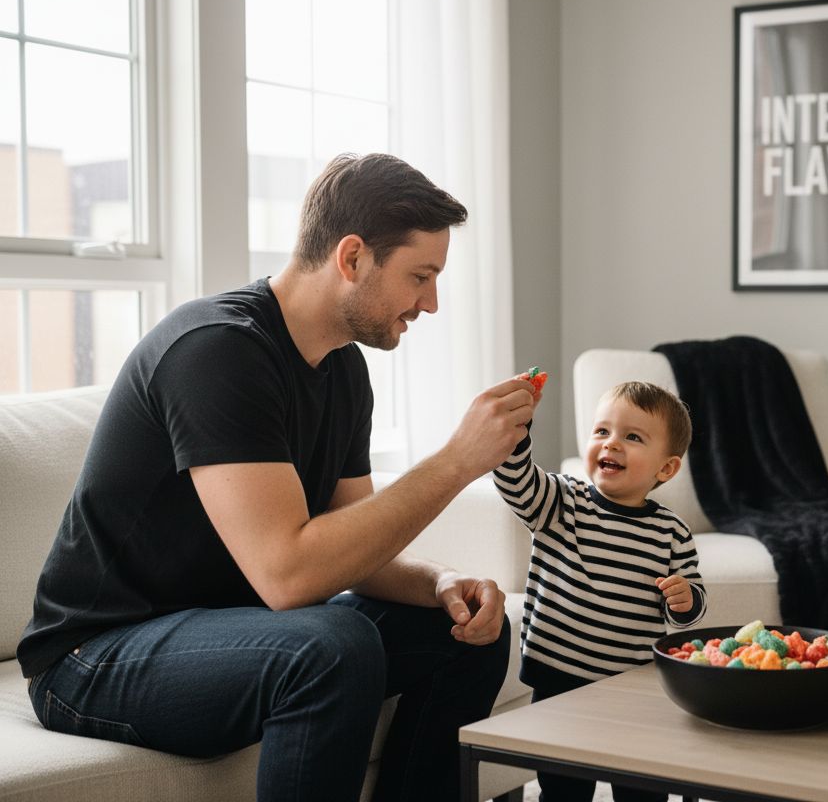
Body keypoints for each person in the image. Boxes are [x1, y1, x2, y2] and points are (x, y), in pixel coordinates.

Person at [17, 153, 538, 800]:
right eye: (420, 276)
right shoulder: (217, 351)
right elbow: (288, 576)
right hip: (93, 656)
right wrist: (456, 461)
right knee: (331, 645)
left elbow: (352, 546)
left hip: (231, 629)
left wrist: (439, 582)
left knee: (469, 631)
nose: (430, 303)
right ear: (352, 258)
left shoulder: (343, 369)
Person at [492, 380, 706, 802]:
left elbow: (690, 602)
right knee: (562, 788)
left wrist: (685, 599)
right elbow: (515, 481)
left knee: (642, 788)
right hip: (558, 678)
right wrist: (518, 429)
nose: (612, 443)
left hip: (631, 691)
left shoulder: (671, 532)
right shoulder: (561, 502)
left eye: (633, 437)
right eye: (602, 431)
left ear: (666, 469)